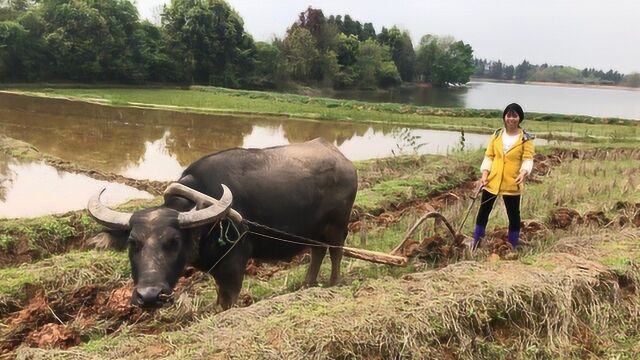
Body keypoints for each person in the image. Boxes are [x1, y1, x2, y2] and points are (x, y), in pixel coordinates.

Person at [472, 103, 535, 250]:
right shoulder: (497, 134)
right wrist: (484, 174)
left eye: (515, 116)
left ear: (520, 118)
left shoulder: (526, 138)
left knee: (513, 214)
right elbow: (489, 156)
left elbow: (528, 158)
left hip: (512, 181)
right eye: (509, 115)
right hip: (492, 180)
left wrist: (523, 173)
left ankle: (512, 245)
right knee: (483, 211)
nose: (511, 119)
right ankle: (476, 242)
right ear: (504, 117)